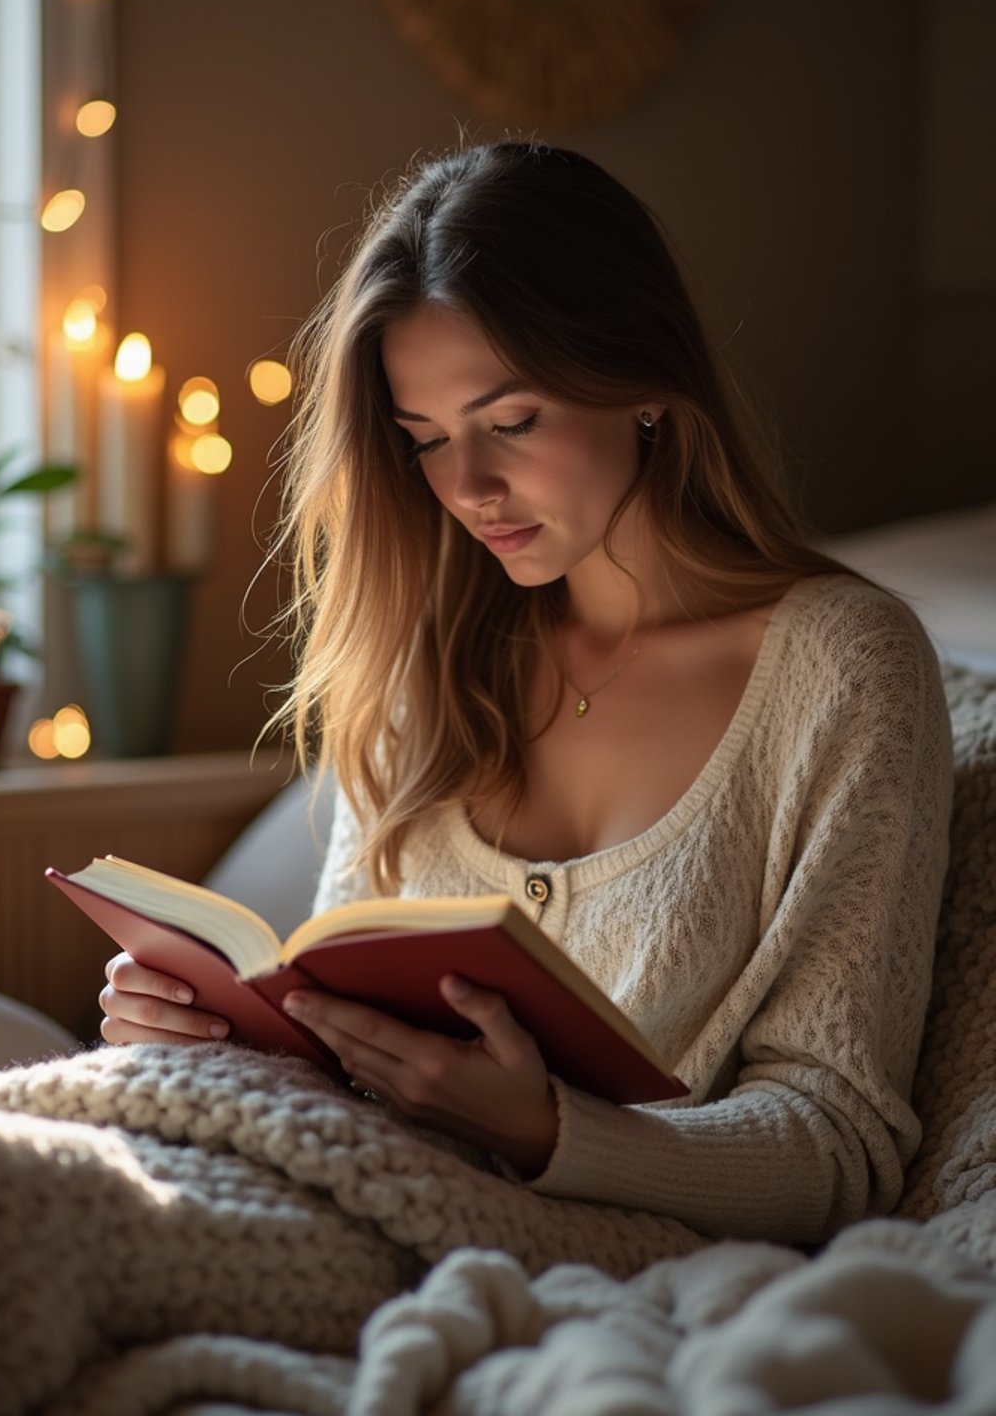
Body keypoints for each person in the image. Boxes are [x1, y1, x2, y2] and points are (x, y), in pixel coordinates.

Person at [100, 140, 953, 1243]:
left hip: (592, 1265)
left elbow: (839, 1144)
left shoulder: (846, 670)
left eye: (512, 423)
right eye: (424, 442)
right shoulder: (434, 656)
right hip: (343, 1214)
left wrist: (553, 1135)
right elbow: (338, 1047)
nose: (467, 488)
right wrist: (202, 1035)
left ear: (645, 383)